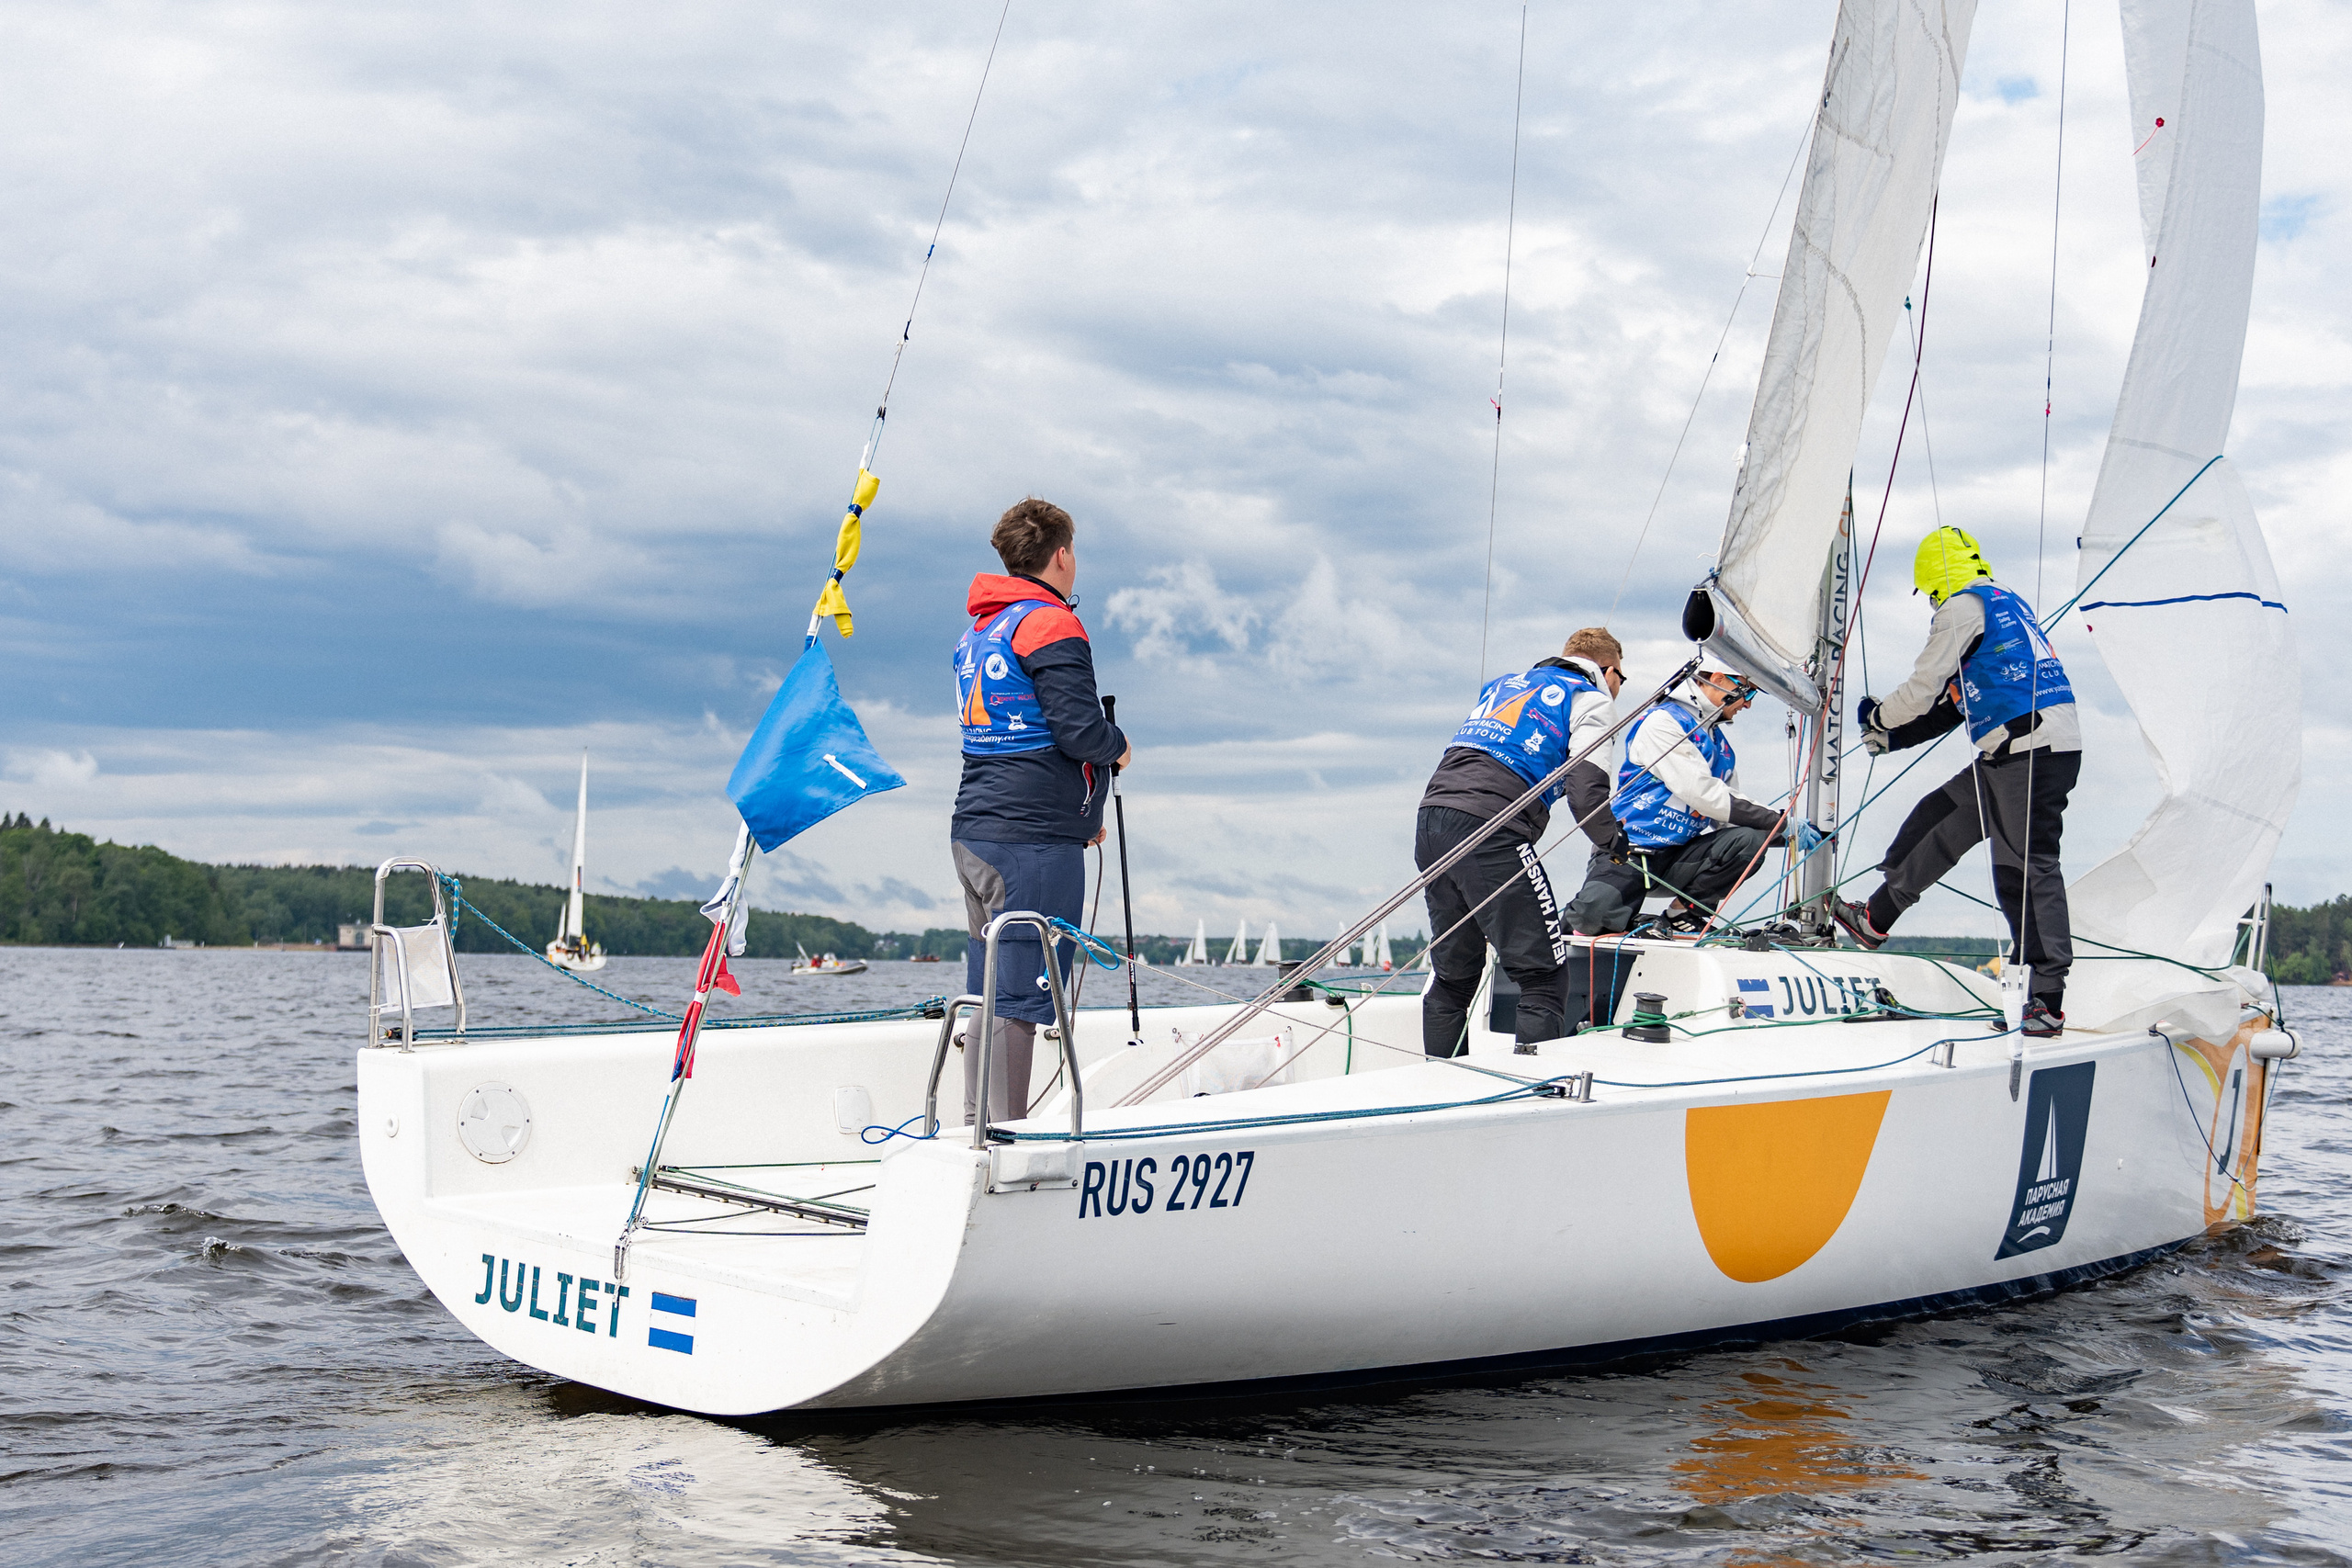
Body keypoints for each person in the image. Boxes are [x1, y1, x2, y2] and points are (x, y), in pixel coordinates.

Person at [1834, 526, 2078, 1037]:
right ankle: (1874, 919)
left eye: (1928, 595)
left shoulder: (1961, 608)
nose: (1930, 604)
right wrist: (1892, 737)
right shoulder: (2000, 604)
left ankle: (2046, 999)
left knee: (2025, 869)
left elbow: (1924, 688)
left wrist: (1877, 716)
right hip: (2016, 747)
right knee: (1940, 817)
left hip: (2032, 750)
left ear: (1934, 580)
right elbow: (1950, 704)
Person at [951, 497, 1131, 1122]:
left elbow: (1017, 729)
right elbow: (1080, 732)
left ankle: (976, 1131)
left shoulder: (981, 629)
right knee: (1022, 994)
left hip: (978, 831)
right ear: (1061, 555)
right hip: (1029, 842)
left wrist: (1079, 813)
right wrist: (1121, 748)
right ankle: (1001, 1148)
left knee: (989, 990)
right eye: (1073, 552)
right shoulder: (1051, 624)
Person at [1416, 627, 1626, 1057]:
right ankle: (1532, 1100)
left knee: (1454, 976)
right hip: (1492, 829)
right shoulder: (1591, 699)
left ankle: (1438, 1085)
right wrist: (1616, 846)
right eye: (1622, 677)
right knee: (1543, 977)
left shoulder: (1506, 684)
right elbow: (1586, 791)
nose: (1621, 688)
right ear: (1607, 671)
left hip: (1431, 820)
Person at [1565, 659, 1819, 947]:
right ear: (1720, 678)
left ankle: (1682, 915)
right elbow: (1700, 792)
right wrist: (1781, 822)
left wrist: (1787, 834)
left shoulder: (1723, 749)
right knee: (1591, 918)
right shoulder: (1664, 721)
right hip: (1630, 852)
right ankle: (1627, 918)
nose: (1747, 704)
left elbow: (1729, 818)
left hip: (1678, 858)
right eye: (1747, 692)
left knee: (1751, 839)